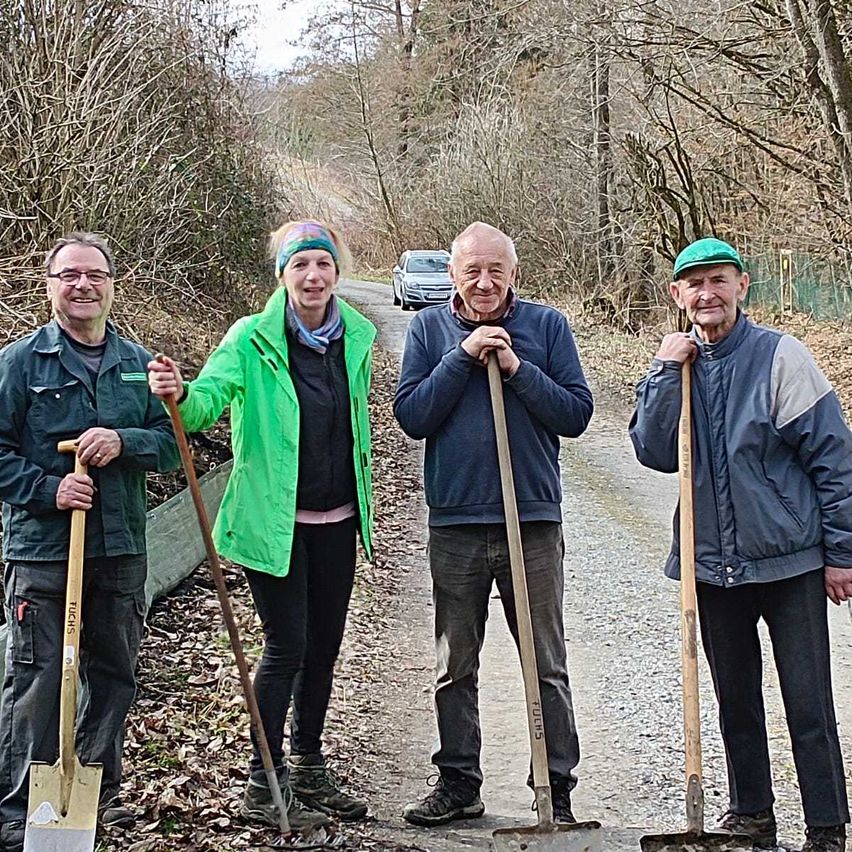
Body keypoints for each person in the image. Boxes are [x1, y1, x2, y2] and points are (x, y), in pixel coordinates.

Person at [147, 220, 375, 832]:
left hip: (337, 519)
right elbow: (202, 406)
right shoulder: (251, 339)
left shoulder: (357, 336)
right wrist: (178, 392)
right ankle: (261, 777)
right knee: (287, 645)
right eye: (300, 265)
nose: (313, 276)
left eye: (323, 265)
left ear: (336, 272)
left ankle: (307, 764)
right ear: (282, 275)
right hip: (272, 521)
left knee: (324, 647)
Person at [629, 237, 851, 852]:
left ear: (742, 285)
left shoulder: (782, 357)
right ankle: (751, 813)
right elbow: (649, 451)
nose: (707, 294)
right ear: (677, 296)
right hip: (713, 563)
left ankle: (827, 827)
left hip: (790, 562)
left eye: (719, 281)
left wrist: (841, 555)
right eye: (694, 284)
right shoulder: (676, 363)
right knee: (735, 700)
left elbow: (834, 461)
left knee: (808, 703)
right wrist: (664, 370)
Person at [393, 221, 594, 827]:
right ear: (453, 274)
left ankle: (554, 787)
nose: (484, 282)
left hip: (530, 520)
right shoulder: (428, 329)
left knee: (545, 660)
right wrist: (462, 357)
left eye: (495, 271)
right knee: (455, 663)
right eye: (471, 270)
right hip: (456, 522)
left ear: (513, 274)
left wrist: (514, 367)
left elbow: (577, 414)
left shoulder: (547, 327)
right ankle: (458, 782)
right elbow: (413, 416)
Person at [0, 233, 180, 852]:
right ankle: (24, 808)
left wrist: (124, 441)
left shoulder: (140, 363)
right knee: (38, 678)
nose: (82, 286)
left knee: (113, 673)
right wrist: (47, 490)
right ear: (49, 286)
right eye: (69, 276)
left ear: (111, 284)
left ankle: (91, 800)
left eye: (94, 275)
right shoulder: (20, 364)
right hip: (43, 554)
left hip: (121, 547)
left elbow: (171, 441)